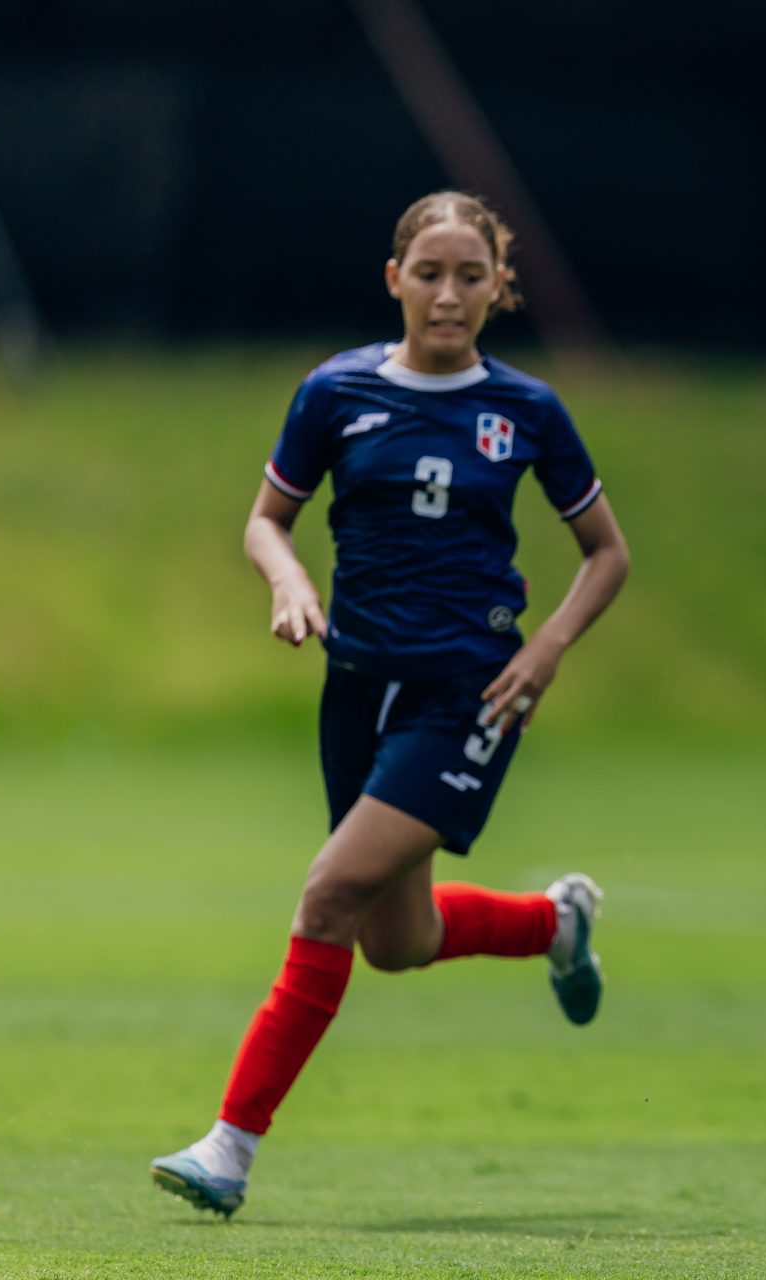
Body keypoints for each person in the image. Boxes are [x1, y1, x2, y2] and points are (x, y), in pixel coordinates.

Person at [151, 191, 630, 1218]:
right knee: (394, 941)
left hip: (468, 691)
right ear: (395, 280)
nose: (448, 295)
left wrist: (546, 648)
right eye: (430, 273)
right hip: (357, 685)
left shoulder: (529, 410)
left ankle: (229, 1147)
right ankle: (555, 922)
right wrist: (288, 579)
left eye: (470, 276)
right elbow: (266, 520)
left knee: (327, 894)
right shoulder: (335, 391)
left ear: (498, 288)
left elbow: (607, 554)